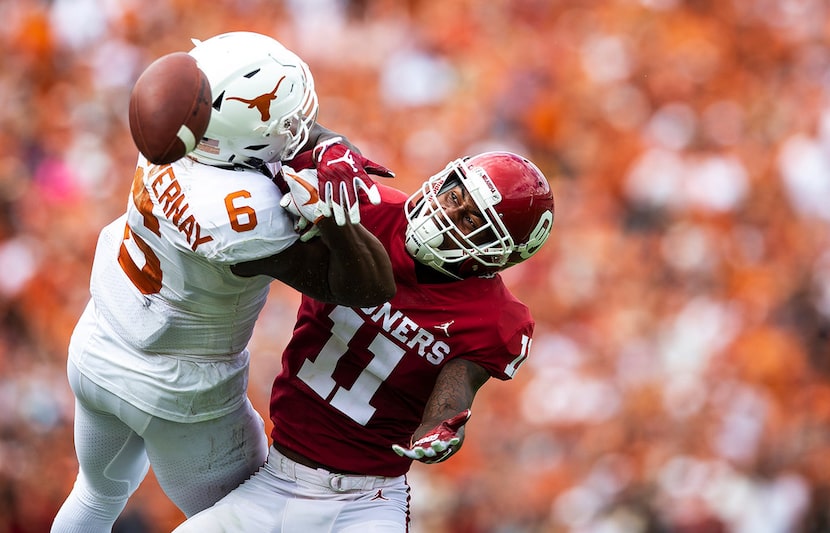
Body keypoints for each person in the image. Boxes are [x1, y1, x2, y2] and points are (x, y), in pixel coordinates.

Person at [51, 31, 396, 532]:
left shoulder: (169, 126)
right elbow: (365, 289)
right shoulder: (246, 214)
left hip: (100, 348)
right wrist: (336, 221)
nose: (303, 126)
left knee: (97, 493)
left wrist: (331, 146)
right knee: (243, 523)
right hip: (181, 395)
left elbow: (270, 141)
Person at [173, 150, 555, 532]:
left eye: (471, 219)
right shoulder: (366, 206)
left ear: (499, 252)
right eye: (455, 196)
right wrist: (327, 148)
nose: (447, 213)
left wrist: (441, 429)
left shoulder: (494, 318)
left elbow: (455, 395)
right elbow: (272, 144)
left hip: (365, 503)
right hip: (276, 477)